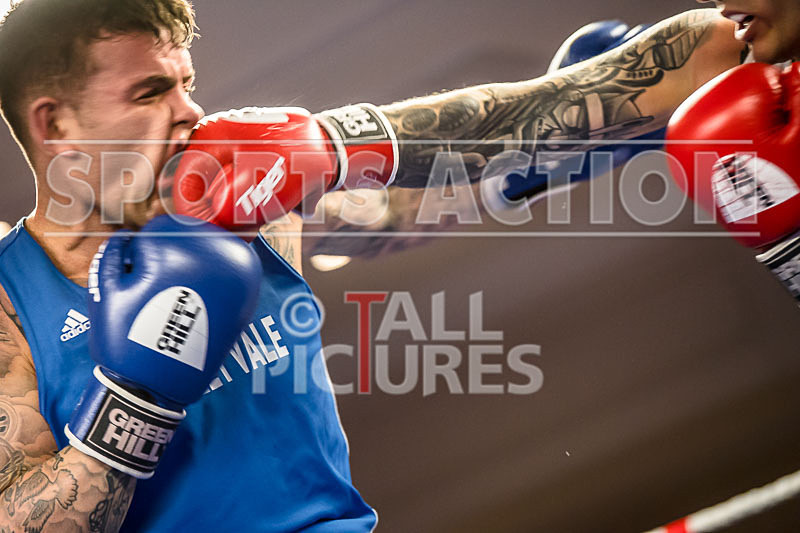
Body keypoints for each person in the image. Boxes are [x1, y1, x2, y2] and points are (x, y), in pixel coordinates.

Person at [0, 0, 745, 531]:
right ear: (55, 123)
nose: (191, 111)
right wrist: (137, 398)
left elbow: (402, 212)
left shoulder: (237, 201)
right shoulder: (8, 300)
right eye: (152, 91)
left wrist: (557, 156)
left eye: (187, 80)